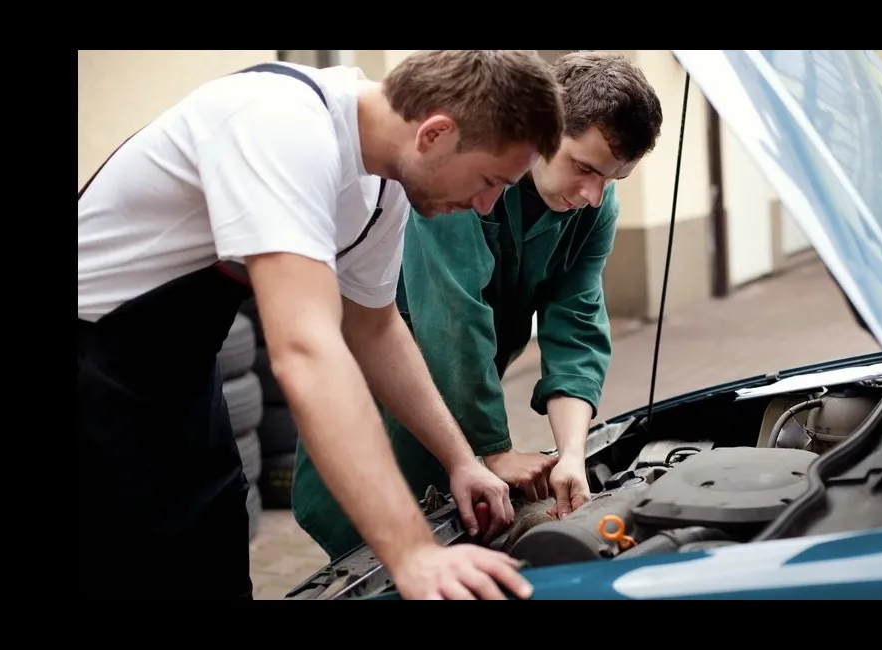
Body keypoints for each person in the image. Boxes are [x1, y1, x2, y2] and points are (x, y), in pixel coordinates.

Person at [77, 50, 565, 600]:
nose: (487, 205)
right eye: (489, 179)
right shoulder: (280, 122)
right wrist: (411, 552)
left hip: (182, 370)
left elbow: (374, 328)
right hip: (94, 364)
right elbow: (307, 352)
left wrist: (460, 461)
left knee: (212, 546)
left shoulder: (383, 187)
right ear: (435, 133)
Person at [292, 51, 663, 561]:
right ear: (545, 131)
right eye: (584, 167)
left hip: (465, 399)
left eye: (612, 180)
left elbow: (576, 324)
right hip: (383, 388)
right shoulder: (465, 177)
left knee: (449, 527)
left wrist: (572, 455)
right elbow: (454, 318)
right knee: (367, 543)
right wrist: (496, 449)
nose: (593, 195)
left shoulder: (592, 207)